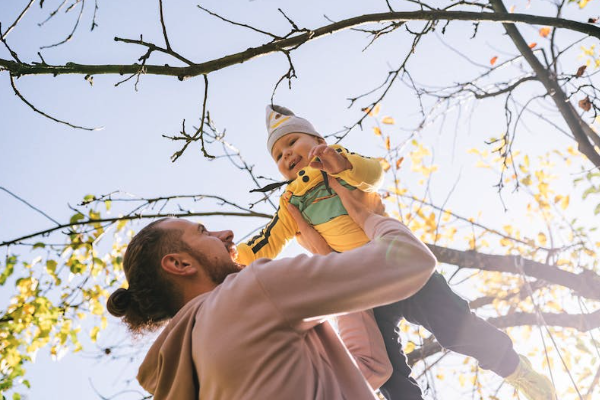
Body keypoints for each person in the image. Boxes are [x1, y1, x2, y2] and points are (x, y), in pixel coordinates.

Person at [234, 104, 555, 400]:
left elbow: (373, 174)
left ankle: (516, 369)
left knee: (454, 327)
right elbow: (267, 241)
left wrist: (341, 163)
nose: (286, 154)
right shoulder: (291, 202)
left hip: (394, 262)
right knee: (382, 369)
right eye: (278, 155)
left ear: (316, 139)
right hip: (362, 291)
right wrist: (233, 259)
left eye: (292, 142)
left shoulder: (336, 161)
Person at [106, 177, 438, 400]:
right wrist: (367, 216)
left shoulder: (192, 372)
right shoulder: (250, 290)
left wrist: (326, 257)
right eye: (204, 232)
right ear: (179, 265)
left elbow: (367, 368)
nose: (226, 234)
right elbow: (410, 260)